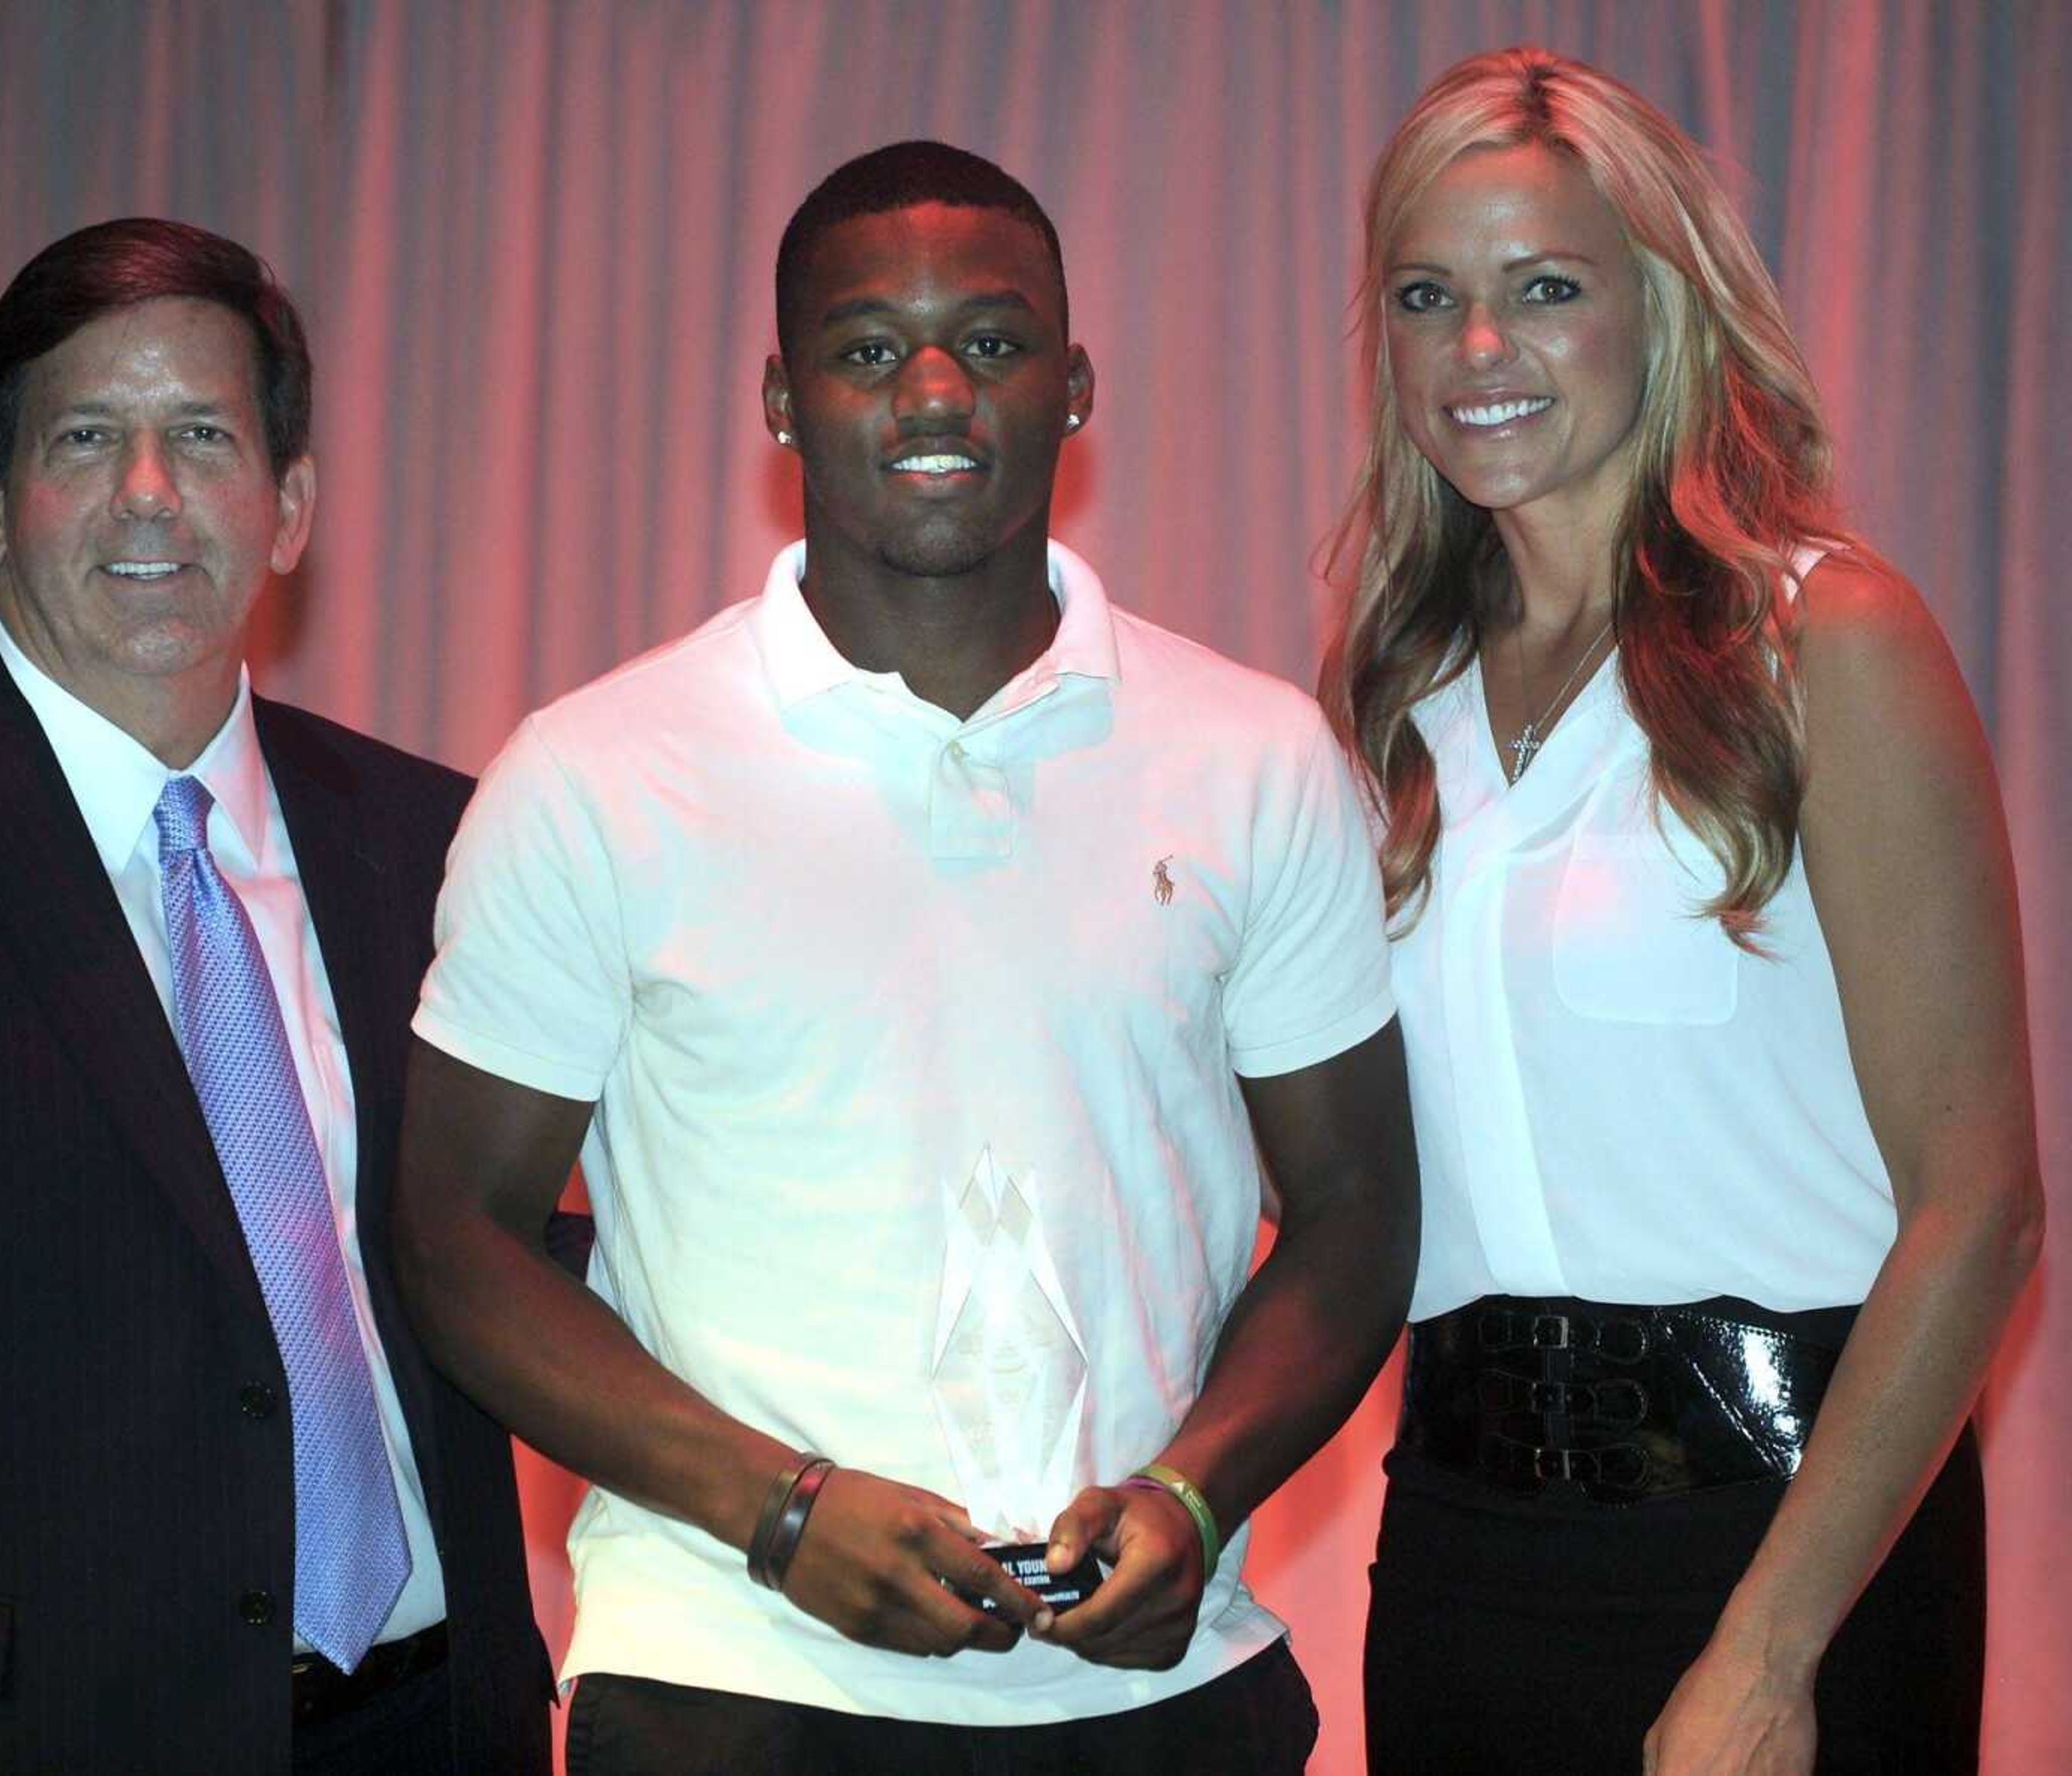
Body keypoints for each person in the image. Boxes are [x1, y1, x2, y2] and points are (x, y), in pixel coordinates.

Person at [393, 140, 1418, 1775]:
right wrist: (781, 1511)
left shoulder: (1253, 757)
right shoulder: (598, 774)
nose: (933, 390)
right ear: (782, 400)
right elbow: (454, 1237)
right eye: (868, 349)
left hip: (1159, 1700)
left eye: (992, 342)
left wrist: (1197, 1489)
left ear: (1072, 386)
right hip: (735, 1684)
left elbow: (1360, 1209)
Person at [0, 218, 550, 1775]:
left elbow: (537, 1262)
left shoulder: (439, 843)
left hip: (440, 1721)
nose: (149, 492)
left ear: (288, 508)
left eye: (203, 437)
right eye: (88, 437)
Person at [1318, 47, 2043, 1776]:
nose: (1479, 350)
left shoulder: (1829, 641)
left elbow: (1982, 1205)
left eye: (1544, 289)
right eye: (1430, 297)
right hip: (1460, 1568)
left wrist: (1769, 1656)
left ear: (1667, 309)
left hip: (1790, 1558)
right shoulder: (1387, 710)